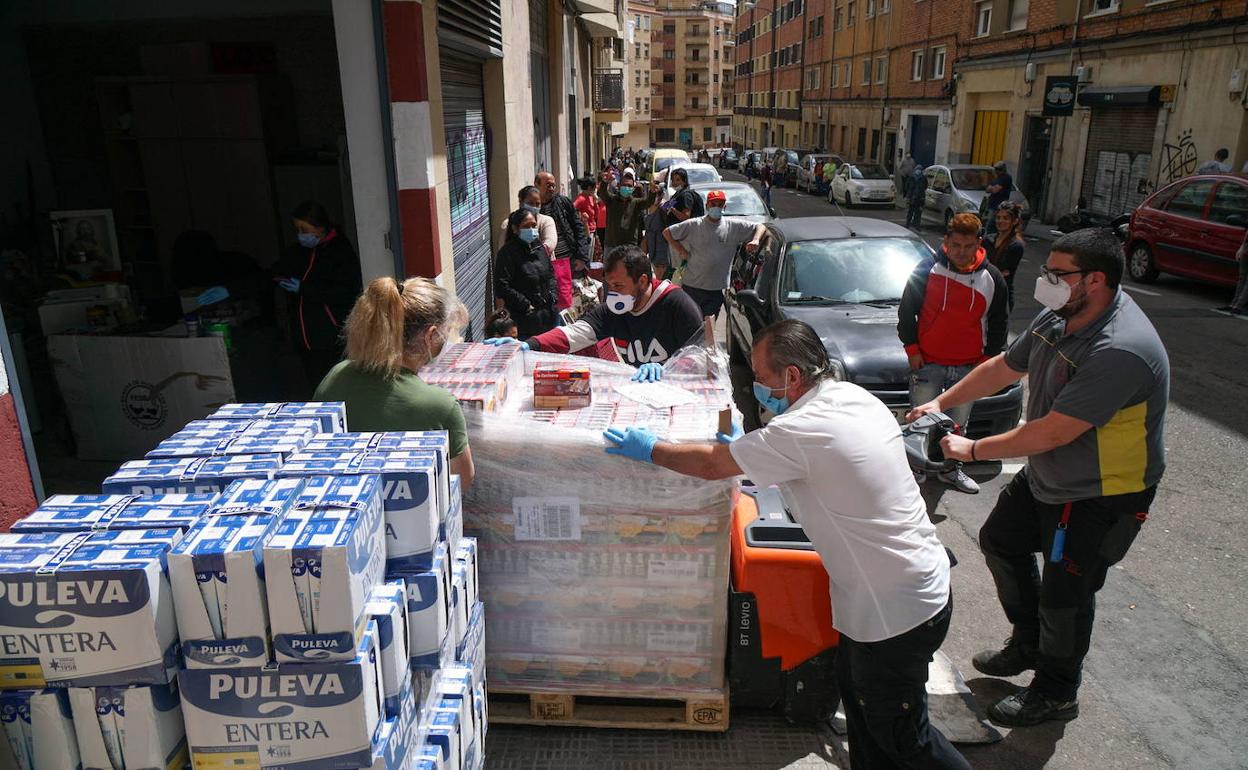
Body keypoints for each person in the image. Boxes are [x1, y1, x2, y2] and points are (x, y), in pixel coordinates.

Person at [603, 319, 970, 770]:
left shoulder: (802, 429)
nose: (756, 385)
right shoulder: (851, 398)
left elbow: (715, 466)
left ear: (792, 376)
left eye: (760, 376)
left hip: (895, 613)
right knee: (863, 715)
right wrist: (744, 451)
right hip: (898, 593)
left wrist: (651, 448)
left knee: (903, 737)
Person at [909, 228, 1169, 728]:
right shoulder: (1061, 316)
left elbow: (1052, 432)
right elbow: (1005, 367)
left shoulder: (1119, 349)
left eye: (1057, 273)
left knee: (1065, 596)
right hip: (1052, 476)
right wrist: (939, 402)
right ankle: (1028, 643)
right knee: (1001, 541)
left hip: (1101, 491)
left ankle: (1056, 691)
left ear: (1094, 280)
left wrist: (974, 448)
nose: (1045, 280)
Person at [314, 275, 474, 487]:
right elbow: (462, 480)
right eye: (446, 333)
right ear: (430, 336)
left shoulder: (336, 376)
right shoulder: (440, 405)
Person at [898, 212, 1009, 494]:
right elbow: (906, 312)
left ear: (979, 243)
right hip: (928, 363)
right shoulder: (926, 270)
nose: (961, 252)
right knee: (920, 421)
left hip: (968, 368)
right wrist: (912, 350)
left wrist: (985, 363)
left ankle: (950, 470)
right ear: (946, 241)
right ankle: (916, 470)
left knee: (958, 425)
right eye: (956, 245)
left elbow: (999, 324)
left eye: (968, 246)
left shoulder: (992, 277)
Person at [486, 247, 703, 380]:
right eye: (609, 285)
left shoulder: (677, 305)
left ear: (643, 281)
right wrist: (528, 345)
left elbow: (702, 358)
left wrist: (668, 369)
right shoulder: (612, 310)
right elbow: (573, 334)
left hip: (673, 394)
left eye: (619, 285)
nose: (613, 293)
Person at [273, 200, 363, 391]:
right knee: (316, 385)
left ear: (320, 228)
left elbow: (347, 293)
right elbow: (277, 269)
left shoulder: (340, 251)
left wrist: (304, 289)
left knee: (338, 386)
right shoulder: (299, 252)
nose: (300, 235)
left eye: (304, 230)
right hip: (306, 338)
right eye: (297, 230)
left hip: (331, 335)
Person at [664, 190, 766, 318]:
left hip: (716, 289)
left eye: (720, 204)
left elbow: (761, 227)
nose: (716, 207)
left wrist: (755, 240)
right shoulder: (694, 224)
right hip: (692, 287)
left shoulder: (733, 226)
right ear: (707, 206)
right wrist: (682, 251)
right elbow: (667, 233)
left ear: (724, 207)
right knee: (691, 324)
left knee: (708, 328)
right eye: (713, 204)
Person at [494, 208, 557, 337]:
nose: (531, 229)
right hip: (524, 321)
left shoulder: (539, 248)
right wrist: (525, 304)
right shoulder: (507, 253)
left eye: (533, 225)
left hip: (548, 316)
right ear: (515, 229)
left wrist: (553, 295)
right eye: (526, 226)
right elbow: (501, 286)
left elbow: (550, 273)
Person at [536, 171, 590, 311]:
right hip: (547, 266)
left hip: (570, 262)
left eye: (554, 186)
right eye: (548, 185)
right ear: (537, 184)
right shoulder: (533, 208)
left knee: (575, 302)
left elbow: (578, 228)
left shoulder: (563, 202)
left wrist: (582, 257)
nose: (552, 189)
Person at [599, 168, 658, 249]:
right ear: (619, 186)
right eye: (624, 185)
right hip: (612, 244)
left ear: (633, 188)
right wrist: (605, 182)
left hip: (630, 245)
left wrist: (652, 192)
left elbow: (648, 202)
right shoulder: (611, 200)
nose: (626, 187)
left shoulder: (636, 203)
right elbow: (602, 193)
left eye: (629, 186)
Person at [983, 202, 1026, 309]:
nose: (1000, 221)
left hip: (1001, 295)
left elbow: (1004, 272)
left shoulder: (1016, 245)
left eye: (1005, 218)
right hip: (983, 291)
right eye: (998, 217)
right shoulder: (988, 240)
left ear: (1015, 221)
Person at [498, 185, 557, 257]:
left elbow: (550, 243)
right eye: (530, 203)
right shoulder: (507, 224)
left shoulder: (546, 221)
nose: (534, 207)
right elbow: (502, 251)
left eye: (538, 204)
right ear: (521, 202)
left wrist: (536, 256)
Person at [1215, 229, 1248, 315]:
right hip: (1246, 250)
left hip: (1246, 250)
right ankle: (1234, 305)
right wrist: (1242, 247)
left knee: (1244, 279)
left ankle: (1237, 306)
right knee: (1242, 278)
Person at [643, 193, 672, 281]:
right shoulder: (649, 208)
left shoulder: (663, 206)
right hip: (652, 244)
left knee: (661, 274)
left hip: (661, 244)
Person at [573, 177, 602, 262]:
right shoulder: (581, 199)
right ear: (590, 188)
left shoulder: (590, 197)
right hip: (585, 231)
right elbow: (572, 209)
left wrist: (596, 202)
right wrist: (581, 217)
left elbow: (596, 214)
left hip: (593, 229)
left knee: (592, 254)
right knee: (587, 255)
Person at [984, 161, 1014, 235]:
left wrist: (992, 188)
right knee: (990, 222)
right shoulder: (997, 178)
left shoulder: (1006, 178)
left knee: (991, 223)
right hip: (992, 204)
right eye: (996, 169)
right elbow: (987, 189)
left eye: (998, 169)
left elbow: (995, 190)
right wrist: (992, 188)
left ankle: (988, 237)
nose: (997, 171)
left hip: (998, 205)